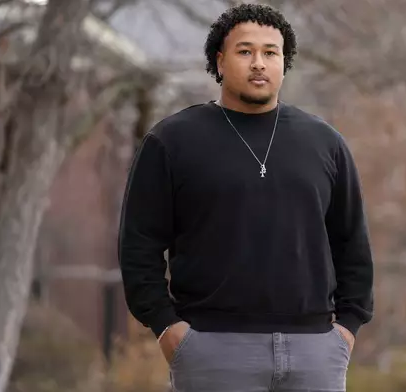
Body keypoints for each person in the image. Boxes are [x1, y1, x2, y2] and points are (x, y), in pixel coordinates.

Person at [117, 3, 374, 391]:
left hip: (315, 353)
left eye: (271, 53)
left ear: (284, 63)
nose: (259, 63)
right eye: (245, 51)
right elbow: (138, 246)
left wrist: (346, 331)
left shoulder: (325, 143)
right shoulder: (172, 142)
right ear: (219, 61)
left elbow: (352, 243)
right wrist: (169, 328)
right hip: (212, 349)